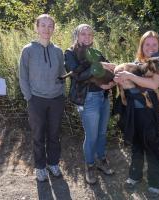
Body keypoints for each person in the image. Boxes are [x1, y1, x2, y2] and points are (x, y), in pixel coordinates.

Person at [114, 31, 159, 198]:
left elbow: (153, 83)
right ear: (142, 46)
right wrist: (119, 78)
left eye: (154, 45)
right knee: (136, 144)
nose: (150, 48)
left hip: (148, 111)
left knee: (151, 144)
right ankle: (135, 176)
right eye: (147, 44)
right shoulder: (137, 62)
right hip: (132, 110)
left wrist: (129, 76)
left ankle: (155, 182)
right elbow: (127, 82)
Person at [64, 24, 114, 184]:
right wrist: (98, 67)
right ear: (77, 36)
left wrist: (110, 84)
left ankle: (101, 160)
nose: (87, 37)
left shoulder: (96, 52)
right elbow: (77, 76)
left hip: (103, 97)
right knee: (91, 136)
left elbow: (111, 70)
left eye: (90, 34)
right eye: (83, 34)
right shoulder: (70, 53)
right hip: (88, 99)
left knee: (101, 133)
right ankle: (90, 165)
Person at [19, 14, 65, 181]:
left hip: (56, 100)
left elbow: (62, 74)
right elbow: (22, 76)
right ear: (36, 28)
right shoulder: (28, 50)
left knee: (54, 134)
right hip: (36, 100)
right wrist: (29, 97)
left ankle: (53, 163)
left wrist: (61, 93)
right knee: (38, 135)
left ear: (54, 29)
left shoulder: (58, 51)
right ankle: (39, 167)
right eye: (43, 25)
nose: (47, 29)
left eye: (50, 25)